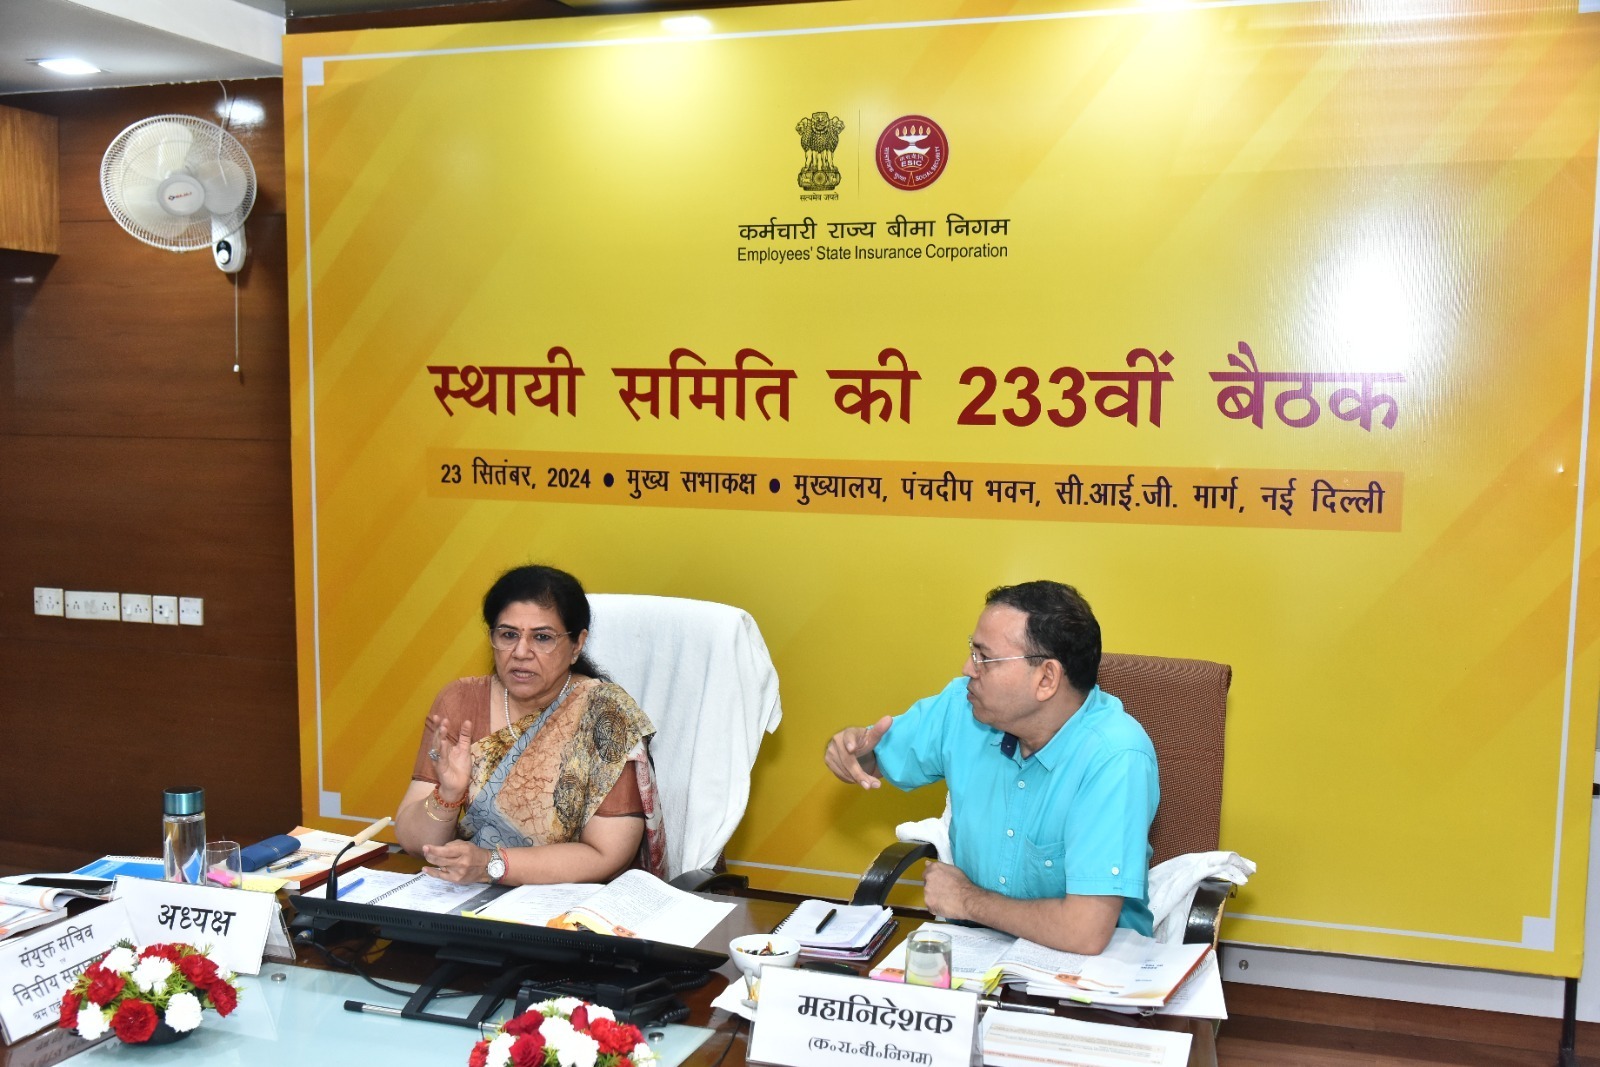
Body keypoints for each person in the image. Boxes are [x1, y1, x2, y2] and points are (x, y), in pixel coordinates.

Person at [824, 581, 1156, 954]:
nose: (968, 668)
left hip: (1089, 971)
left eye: (985, 658)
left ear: (1046, 679)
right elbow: (873, 758)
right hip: (977, 954)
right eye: (972, 651)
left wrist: (967, 900)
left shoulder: (1115, 756)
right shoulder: (964, 707)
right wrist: (852, 753)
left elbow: (1084, 933)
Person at [395, 564, 665, 885]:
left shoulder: (605, 715)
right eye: (508, 635)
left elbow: (607, 853)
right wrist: (448, 795)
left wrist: (491, 865)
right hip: (470, 895)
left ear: (577, 644)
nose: (521, 652)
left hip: (575, 900)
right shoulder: (460, 701)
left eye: (542, 638)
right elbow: (415, 843)